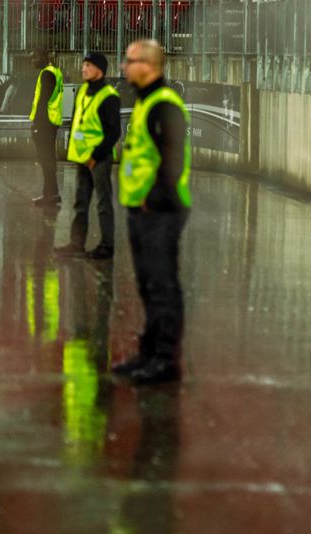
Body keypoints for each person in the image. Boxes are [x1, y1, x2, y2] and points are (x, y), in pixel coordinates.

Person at [111, 40, 191, 385]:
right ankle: (148, 352)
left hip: (160, 211)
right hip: (143, 210)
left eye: (129, 61)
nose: (124, 67)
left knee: (161, 286)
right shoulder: (146, 102)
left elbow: (172, 161)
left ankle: (165, 360)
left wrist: (153, 199)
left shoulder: (164, 105)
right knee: (146, 284)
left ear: (149, 65)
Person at [55, 51, 120, 259]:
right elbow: (76, 123)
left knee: (103, 202)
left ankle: (107, 246)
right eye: (83, 65)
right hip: (82, 157)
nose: (83, 69)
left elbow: (113, 132)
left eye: (88, 66)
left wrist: (96, 155)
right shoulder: (82, 91)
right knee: (80, 202)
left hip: (98, 158)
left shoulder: (109, 96)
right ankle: (76, 244)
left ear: (99, 70)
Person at [29, 47, 64, 206]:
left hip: (45, 122)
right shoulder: (55, 71)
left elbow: (43, 100)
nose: (33, 61)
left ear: (44, 57)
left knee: (46, 160)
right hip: (52, 120)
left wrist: (36, 123)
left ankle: (50, 194)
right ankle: (51, 193)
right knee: (48, 159)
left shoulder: (46, 74)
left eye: (35, 58)